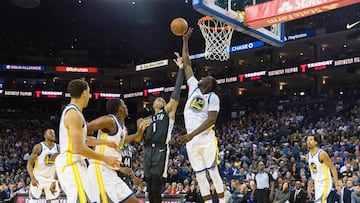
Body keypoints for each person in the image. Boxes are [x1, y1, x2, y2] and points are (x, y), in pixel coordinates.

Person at [178, 27, 225, 203]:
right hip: (192, 140)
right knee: (199, 175)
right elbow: (187, 64)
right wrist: (185, 41)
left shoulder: (213, 97)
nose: (203, 76)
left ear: (209, 84)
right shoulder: (194, 88)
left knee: (212, 171)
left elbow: (211, 120)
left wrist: (191, 134)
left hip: (205, 137)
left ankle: (222, 201)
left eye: (206, 77)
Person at [54, 79, 120, 203]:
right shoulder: (74, 115)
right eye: (89, 93)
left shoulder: (75, 113)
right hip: (70, 163)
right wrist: (105, 158)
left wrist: (105, 142)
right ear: (85, 93)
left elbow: (84, 140)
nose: (89, 97)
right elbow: (79, 147)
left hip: (75, 163)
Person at [86, 98, 150, 203]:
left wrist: (138, 133)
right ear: (120, 108)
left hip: (111, 172)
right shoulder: (109, 121)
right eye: (124, 105)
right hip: (99, 170)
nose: (126, 107)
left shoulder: (122, 128)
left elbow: (123, 141)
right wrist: (93, 141)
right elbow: (85, 129)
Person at [141, 52, 184, 203]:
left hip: (160, 149)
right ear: (153, 105)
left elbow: (176, 94)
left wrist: (181, 69)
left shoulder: (168, 112)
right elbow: (140, 136)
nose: (161, 100)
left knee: (156, 187)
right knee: (149, 187)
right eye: (157, 99)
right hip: (147, 150)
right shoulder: (148, 119)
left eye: (162, 99)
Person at [26, 129, 60, 203]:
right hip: (38, 177)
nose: (53, 134)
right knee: (32, 201)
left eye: (54, 133)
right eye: (50, 133)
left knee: (55, 201)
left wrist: (55, 180)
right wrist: (32, 177)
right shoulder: (38, 147)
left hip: (52, 178)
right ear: (45, 136)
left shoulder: (58, 148)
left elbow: (59, 166)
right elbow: (29, 164)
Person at [306, 135, 339, 203]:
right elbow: (313, 173)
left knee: (322, 201)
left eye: (311, 140)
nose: (308, 142)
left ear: (316, 142)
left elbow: (333, 168)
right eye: (307, 140)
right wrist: (309, 186)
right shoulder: (307, 156)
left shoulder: (322, 154)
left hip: (325, 181)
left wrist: (337, 184)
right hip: (317, 183)